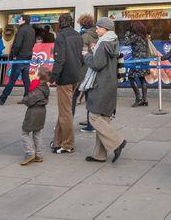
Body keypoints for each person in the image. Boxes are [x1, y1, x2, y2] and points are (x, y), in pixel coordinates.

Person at [80, 17, 126, 163]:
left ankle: (117, 142)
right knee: (104, 117)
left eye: (99, 27)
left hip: (100, 84)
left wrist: (87, 56)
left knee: (94, 117)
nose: (97, 30)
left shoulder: (103, 43)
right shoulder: (113, 41)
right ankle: (100, 155)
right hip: (110, 82)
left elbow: (97, 64)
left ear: (105, 29)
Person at [49, 13, 83, 154]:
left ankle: (67, 144)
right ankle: (58, 141)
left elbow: (60, 59)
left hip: (65, 77)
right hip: (76, 75)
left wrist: (53, 76)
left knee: (65, 112)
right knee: (65, 110)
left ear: (60, 23)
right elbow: (80, 56)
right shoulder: (77, 35)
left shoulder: (61, 37)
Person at [0, 16, 35, 105]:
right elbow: (32, 43)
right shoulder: (32, 30)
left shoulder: (21, 30)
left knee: (12, 79)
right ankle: (27, 97)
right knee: (26, 78)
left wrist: (14, 54)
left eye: (20, 19)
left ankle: (2, 98)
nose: (18, 20)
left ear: (24, 20)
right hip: (28, 56)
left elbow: (17, 44)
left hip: (20, 57)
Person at [21, 66, 50, 166]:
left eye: (36, 72)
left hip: (33, 113)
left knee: (25, 132)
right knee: (37, 133)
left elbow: (29, 100)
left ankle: (29, 153)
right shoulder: (45, 87)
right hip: (42, 112)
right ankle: (39, 154)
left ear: (39, 76)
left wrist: (23, 100)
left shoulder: (37, 90)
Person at [124, 21, 151, 107]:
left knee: (131, 77)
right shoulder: (144, 37)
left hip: (137, 60)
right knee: (142, 78)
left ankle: (138, 98)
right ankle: (145, 99)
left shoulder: (135, 36)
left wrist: (127, 32)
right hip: (145, 60)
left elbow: (126, 42)